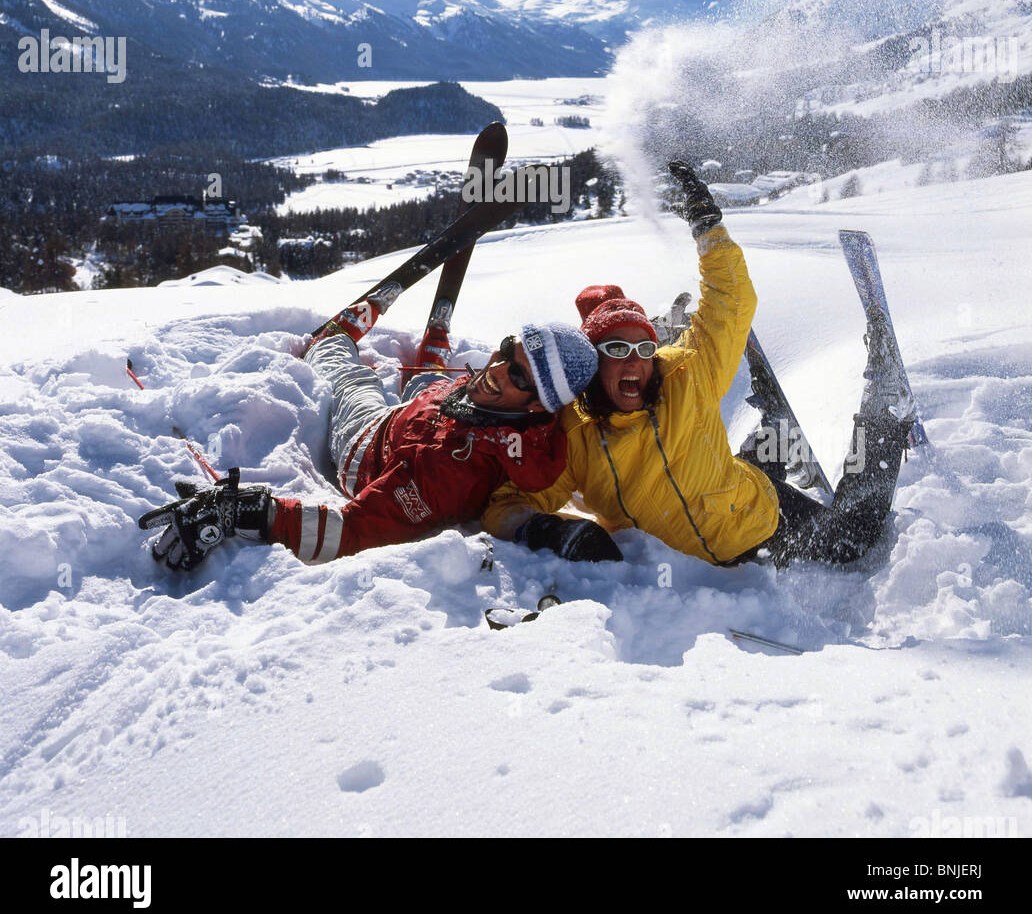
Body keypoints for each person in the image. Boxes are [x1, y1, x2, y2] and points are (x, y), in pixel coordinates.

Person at [483, 161, 917, 569]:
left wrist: (708, 231)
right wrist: (545, 529)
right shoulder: (575, 436)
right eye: (616, 351)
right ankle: (776, 442)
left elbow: (732, 303)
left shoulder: (683, 374)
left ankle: (882, 412)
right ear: (594, 363)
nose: (634, 362)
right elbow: (510, 503)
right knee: (716, 467)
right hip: (714, 493)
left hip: (755, 522)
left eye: (644, 350)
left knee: (853, 535)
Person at [139, 302, 598, 572]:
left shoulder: (444, 474)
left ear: (539, 405)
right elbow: (491, 389)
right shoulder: (510, 407)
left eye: (518, 373)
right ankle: (432, 361)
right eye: (505, 352)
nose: (497, 369)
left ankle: (332, 344)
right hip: (432, 412)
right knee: (431, 384)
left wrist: (256, 513)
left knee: (354, 381)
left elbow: (353, 531)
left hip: (368, 441)